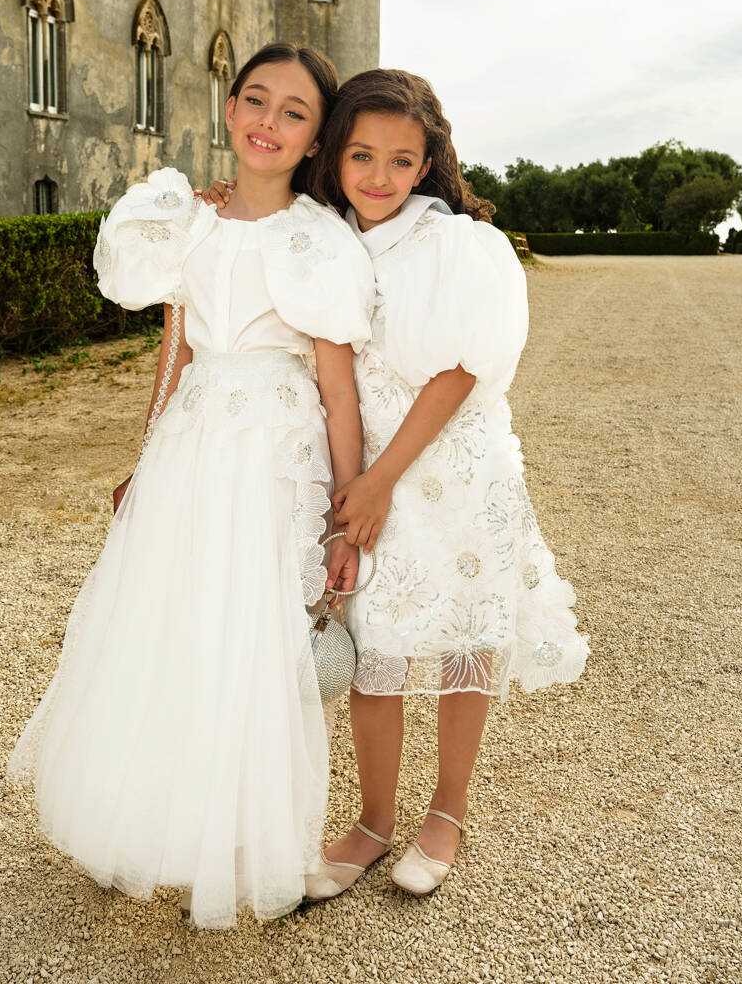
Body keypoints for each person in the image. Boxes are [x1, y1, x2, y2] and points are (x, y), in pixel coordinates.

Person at [5, 43, 374, 929]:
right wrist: (145, 454)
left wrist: (347, 512)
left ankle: (251, 844)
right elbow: (174, 351)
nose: (268, 122)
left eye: (294, 112)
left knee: (254, 642)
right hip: (191, 444)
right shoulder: (190, 219)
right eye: (256, 99)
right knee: (165, 628)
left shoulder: (319, 240)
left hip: (274, 456)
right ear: (229, 104)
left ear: (316, 138)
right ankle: (143, 825)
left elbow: (337, 388)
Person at [302, 69, 590, 897]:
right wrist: (355, 483)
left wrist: (385, 477)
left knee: (465, 638)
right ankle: (373, 819)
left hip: (452, 466)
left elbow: (465, 368)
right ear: (334, 156)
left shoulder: (463, 243)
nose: (380, 177)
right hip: (370, 476)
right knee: (373, 647)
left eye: (401, 159)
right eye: (362, 155)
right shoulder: (323, 236)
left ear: (429, 162)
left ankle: (448, 810)